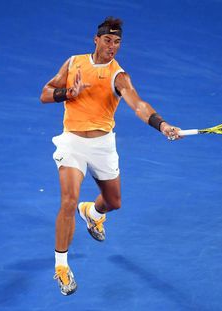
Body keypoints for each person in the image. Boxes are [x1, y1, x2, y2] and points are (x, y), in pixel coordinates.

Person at [40, 17, 182, 296]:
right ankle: (61, 266)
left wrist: (162, 124)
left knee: (113, 202)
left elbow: (138, 105)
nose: (112, 46)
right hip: (72, 142)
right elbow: (45, 94)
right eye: (108, 40)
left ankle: (91, 212)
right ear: (96, 39)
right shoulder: (73, 63)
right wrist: (68, 93)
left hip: (103, 144)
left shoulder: (119, 76)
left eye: (117, 42)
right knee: (68, 200)